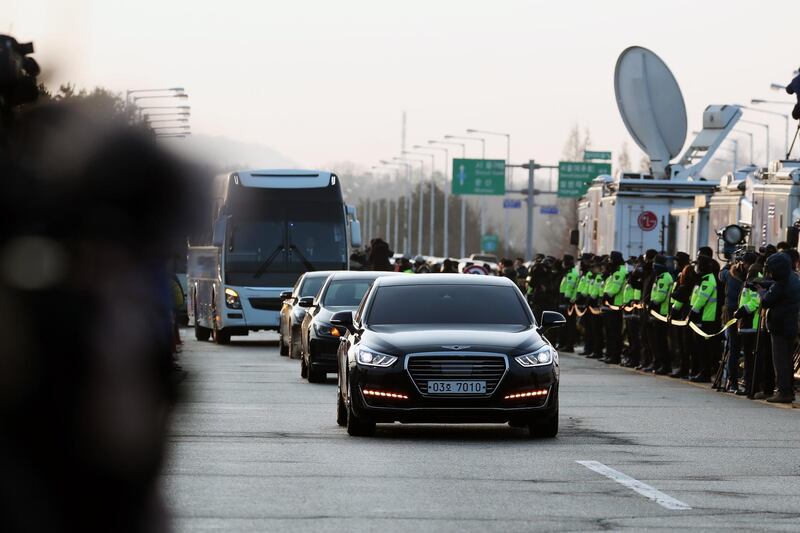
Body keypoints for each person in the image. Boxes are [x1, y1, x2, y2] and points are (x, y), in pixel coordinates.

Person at [759, 251, 800, 403]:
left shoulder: (780, 284)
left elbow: (766, 301)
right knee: (787, 361)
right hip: (790, 325)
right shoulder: (794, 278)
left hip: (779, 326)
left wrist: (761, 291)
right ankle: (788, 391)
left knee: (780, 361)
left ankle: (783, 392)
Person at [688, 255, 721, 383]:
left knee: (704, 348)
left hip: (706, 318)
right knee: (700, 347)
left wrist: (692, 312)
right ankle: (702, 372)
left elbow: (702, 298)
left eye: (698, 265)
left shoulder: (708, 280)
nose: (696, 268)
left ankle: (704, 373)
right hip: (703, 317)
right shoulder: (703, 279)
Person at [734, 264, 762, 396]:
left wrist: (742, 310)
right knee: (747, 358)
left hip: (752, 325)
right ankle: (748, 384)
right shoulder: (747, 279)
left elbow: (756, 301)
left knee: (751, 359)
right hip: (745, 324)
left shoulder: (757, 279)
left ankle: (752, 386)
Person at [669, 264, 697, 379]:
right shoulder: (694, 285)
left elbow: (676, 296)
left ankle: (684, 369)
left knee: (683, 346)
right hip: (689, 317)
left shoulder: (684, 287)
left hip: (684, 318)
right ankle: (687, 369)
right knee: (687, 346)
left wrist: (677, 283)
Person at [648, 255, 674, 374]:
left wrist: (653, 303)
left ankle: (665, 365)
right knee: (657, 341)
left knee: (661, 342)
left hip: (662, 313)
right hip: (658, 313)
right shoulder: (660, 277)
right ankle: (660, 364)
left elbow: (661, 296)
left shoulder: (664, 278)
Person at [601, 251, 627, 364]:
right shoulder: (614, 271)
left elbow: (615, 289)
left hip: (615, 306)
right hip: (609, 306)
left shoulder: (620, 271)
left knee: (614, 333)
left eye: (611, 259)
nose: (609, 262)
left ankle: (615, 356)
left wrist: (607, 295)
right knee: (609, 333)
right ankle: (609, 354)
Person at [557, 254, 579, 352]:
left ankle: (569, 345)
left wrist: (566, 298)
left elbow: (570, 288)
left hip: (569, 302)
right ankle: (564, 343)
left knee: (570, 325)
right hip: (564, 301)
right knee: (564, 325)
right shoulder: (567, 272)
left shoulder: (572, 273)